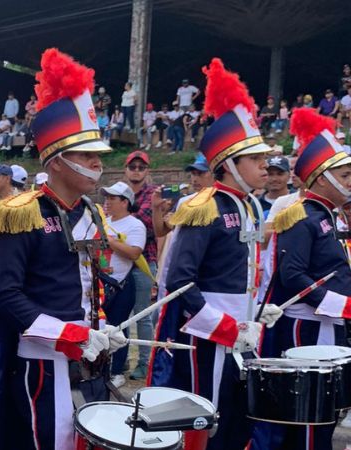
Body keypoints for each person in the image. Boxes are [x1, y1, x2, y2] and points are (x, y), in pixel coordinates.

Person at [0, 49, 126, 449]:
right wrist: (67, 333)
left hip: (87, 358)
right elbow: (6, 296)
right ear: (57, 161)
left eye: (98, 155)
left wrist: (100, 327)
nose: (97, 163)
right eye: (85, 155)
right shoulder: (21, 213)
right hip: (41, 361)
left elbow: (90, 282)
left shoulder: (91, 211)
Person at [149, 58, 277, 450]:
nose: (265, 167)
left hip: (243, 333)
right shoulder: (204, 206)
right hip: (210, 337)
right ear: (229, 165)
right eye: (255, 160)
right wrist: (226, 328)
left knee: (239, 422)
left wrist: (257, 312)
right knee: (209, 423)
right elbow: (179, 281)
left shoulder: (250, 206)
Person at [252, 107, 351, 450]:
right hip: (305, 327)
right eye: (345, 173)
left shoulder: (330, 215)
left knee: (326, 413)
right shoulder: (300, 214)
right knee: (308, 417)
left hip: (330, 322)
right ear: (322, 178)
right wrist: (344, 304)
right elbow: (293, 275)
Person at [99, 181, 145, 389]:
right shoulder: (103, 221)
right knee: (99, 326)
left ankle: (117, 371)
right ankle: (99, 368)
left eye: (112, 198)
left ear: (125, 202)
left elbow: (135, 253)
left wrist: (110, 241)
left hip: (121, 283)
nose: (107, 202)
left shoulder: (135, 225)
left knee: (119, 327)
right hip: (101, 281)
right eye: (106, 198)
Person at [123, 150, 157, 380]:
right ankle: (121, 358)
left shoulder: (153, 193)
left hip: (144, 261)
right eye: (132, 167)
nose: (136, 171)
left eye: (140, 167)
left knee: (142, 315)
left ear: (147, 171)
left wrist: (120, 216)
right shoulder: (120, 192)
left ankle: (144, 363)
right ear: (126, 170)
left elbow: (145, 222)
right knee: (120, 314)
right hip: (119, 261)